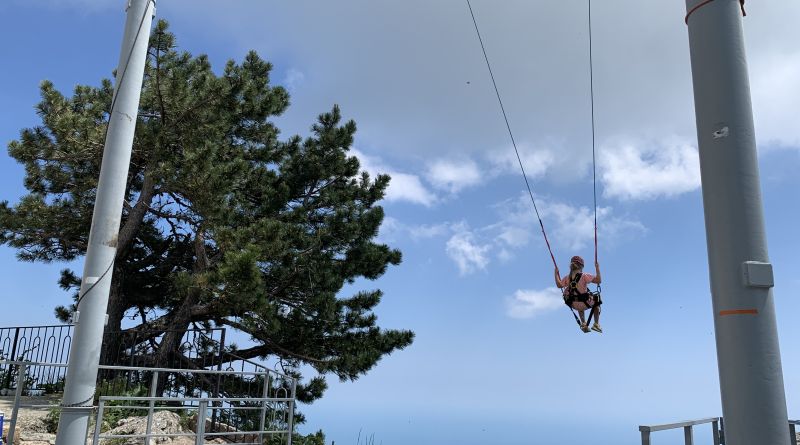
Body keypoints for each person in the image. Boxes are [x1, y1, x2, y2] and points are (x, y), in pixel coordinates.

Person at [555, 255, 602, 333]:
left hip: (574, 305)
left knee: (579, 304)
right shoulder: (584, 276)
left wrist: (556, 273)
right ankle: (596, 324)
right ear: (582, 266)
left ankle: (583, 323)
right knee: (596, 303)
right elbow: (598, 280)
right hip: (585, 303)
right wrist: (597, 268)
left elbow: (559, 285)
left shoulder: (567, 278)